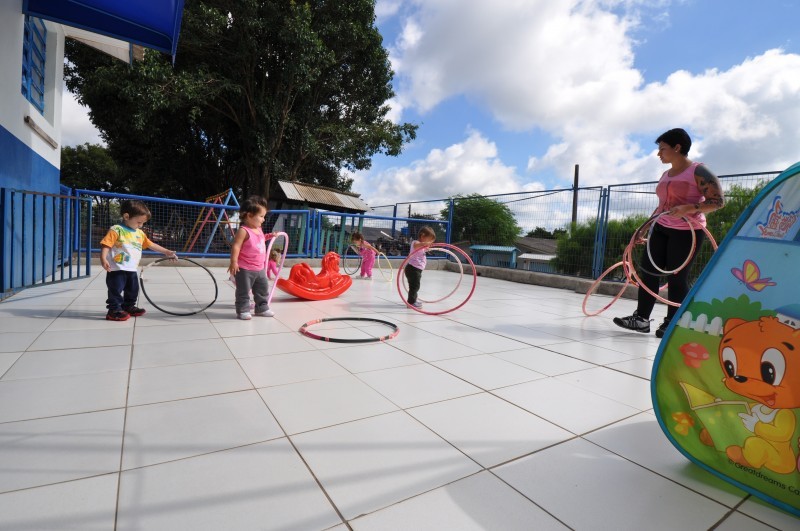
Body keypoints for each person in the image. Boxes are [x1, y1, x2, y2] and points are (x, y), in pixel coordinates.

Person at [614, 128, 725, 337]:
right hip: (661, 227)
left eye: (662, 149)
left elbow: (718, 202)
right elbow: (662, 206)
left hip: (687, 231)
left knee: (676, 277)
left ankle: (671, 323)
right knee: (648, 273)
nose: (659, 154)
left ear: (677, 147)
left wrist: (689, 208)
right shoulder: (666, 174)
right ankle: (641, 319)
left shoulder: (699, 172)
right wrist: (643, 227)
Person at [100, 200, 177, 321]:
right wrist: (103, 258)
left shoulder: (139, 233)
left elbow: (150, 244)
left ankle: (128, 306)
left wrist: (167, 252)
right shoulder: (117, 229)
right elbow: (106, 244)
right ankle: (113, 310)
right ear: (126, 216)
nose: (140, 225)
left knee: (133, 289)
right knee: (115, 289)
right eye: (139, 222)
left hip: (131, 268)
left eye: (143, 223)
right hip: (117, 267)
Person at [228, 196, 276, 320]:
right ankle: (242, 310)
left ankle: (262, 308)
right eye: (261, 216)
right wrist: (234, 262)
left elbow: (260, 239)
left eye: (264, 216)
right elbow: (236, 246)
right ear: (249, 215)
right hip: (245, 268)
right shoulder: (243, 231)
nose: (263, 219)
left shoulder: (258, 229)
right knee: (243, 291)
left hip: (259, 268)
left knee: (262, 289)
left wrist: (269, 236)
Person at [404, 226, 436, 308]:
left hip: (416, 269)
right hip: (413, 269)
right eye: (429, 240)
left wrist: (427, 247)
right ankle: (411, 302)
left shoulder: (422, 246)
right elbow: (417, 246)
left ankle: (413, 300)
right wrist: (425, 244)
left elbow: (422, 250)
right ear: (422, 236)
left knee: (414, 285)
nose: (430, 242)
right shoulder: (415, 243)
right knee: (415, 286)